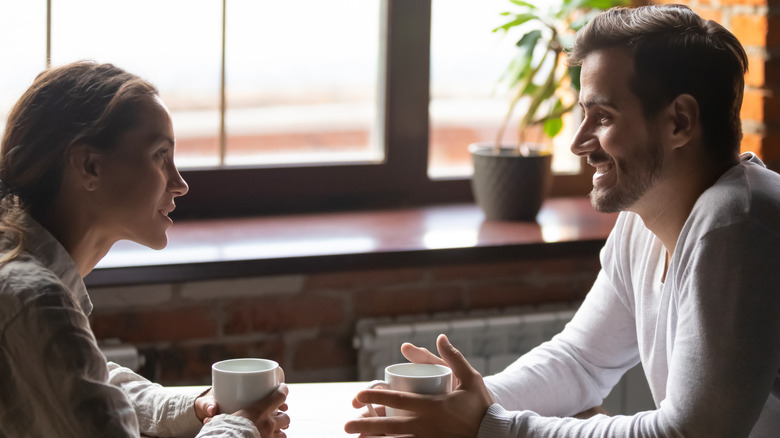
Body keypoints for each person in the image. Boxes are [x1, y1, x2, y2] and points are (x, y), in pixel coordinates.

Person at [345, 4, 780, 437]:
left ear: (679, 122)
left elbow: (687, 434)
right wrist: (457, 402)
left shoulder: (738, 223)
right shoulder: (645, 219)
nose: (577, 142)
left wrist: (489, 425)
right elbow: (580, 361)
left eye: (603, 117)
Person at [0, 61, 290, 437]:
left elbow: (81, 380)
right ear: (89, 166)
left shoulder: (24, 274)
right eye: (160, 155)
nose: (180, 183)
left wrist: (195, 409)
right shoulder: (35, 300)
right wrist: (238, 428)